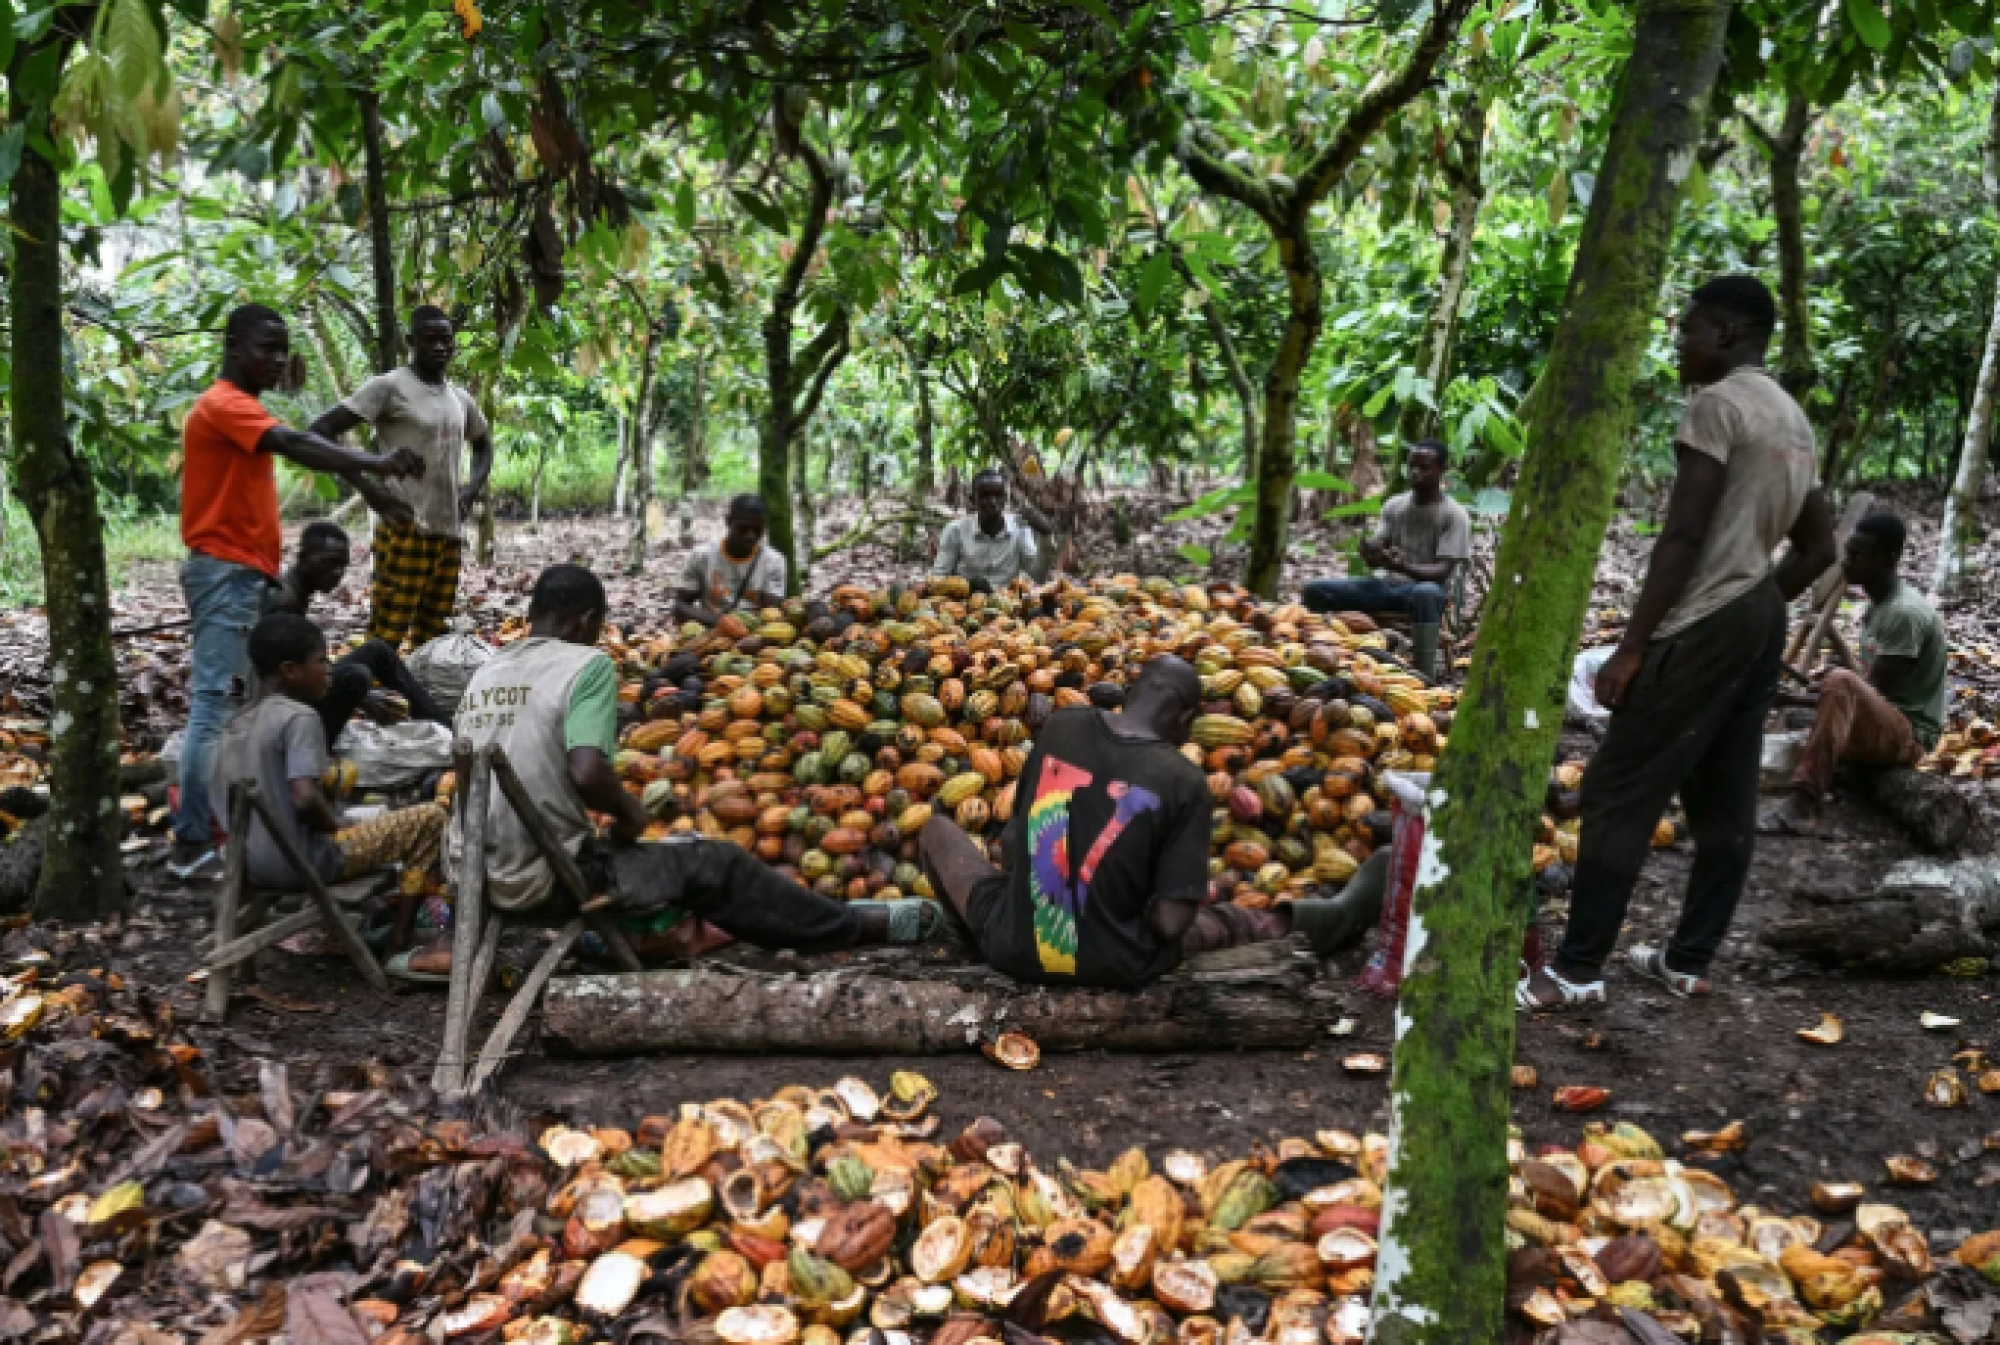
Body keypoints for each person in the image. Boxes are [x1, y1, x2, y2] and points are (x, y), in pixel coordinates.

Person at [1519, 275, 1836, 1010]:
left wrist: (1634, 646)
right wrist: (1756, 601)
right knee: (1725, 801)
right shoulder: (1792, 417)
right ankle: (1688, 960)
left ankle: (1575, 972)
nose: (1679, 344)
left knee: (1617, 790)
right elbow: (1820, 547)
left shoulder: (1718, 405)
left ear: (1726, 332)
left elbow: (1685, 535)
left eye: (1688, 330)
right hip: (1758, 618)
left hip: (1704, 621)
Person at [430, 564, 931, 978]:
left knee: (665, 859)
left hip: (473, 875)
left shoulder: (485, 672)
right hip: (549, 877)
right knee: (715, 863)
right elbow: (587, 772)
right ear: (584, 622)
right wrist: (631, 817)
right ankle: (853, 927)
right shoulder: (585, 665)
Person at [917, 656, 1366, 989]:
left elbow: (1014, 847)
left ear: (1130, 693)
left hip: (1012, 946)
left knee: (937, 830)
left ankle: (972, 937)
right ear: (1187, 721)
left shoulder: (1060, 726)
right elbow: (1171, 923)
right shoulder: (1183, 780)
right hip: (1119, 962)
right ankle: (1330, 918)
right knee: (1230, 923)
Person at [172, 303, 423, 879]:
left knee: (243, 702)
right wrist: (378, 463)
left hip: (242, 572)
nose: (278, 359)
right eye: (267, 348)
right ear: (234, 347)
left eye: (283, 349)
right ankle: (193, 842)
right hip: (225, 572)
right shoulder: (223, 405)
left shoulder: (243, 407)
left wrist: (373, 490)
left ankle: (236, 828)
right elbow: (297, 443)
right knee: (216, 706)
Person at [212, 614, 446, 897]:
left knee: (346, 795)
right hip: (305, 863)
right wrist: (335, 826)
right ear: (290, 670)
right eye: (321, 661)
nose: (328, 670)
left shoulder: (233, 724)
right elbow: (304, 798)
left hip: (249, 866)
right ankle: (403, 921)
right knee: (431, 818)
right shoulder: (299, 717)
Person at [309, 306, 494, 651]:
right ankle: (371, 682)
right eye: (429, 339)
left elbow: (484, 445)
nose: (439, 347)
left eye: (445, 340)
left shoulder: (459, 398)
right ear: (411, 341)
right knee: (388, 630)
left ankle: (418, 684)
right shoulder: (389, 387)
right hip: (405, 525)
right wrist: (368, 489)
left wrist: (470, 489)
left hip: (448, 530)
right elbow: (320, 431)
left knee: (434, 635)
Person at [1761, 512, 1947, 836]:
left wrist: (1796, 698)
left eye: (1859, 555)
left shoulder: (1903, 613)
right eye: (1848, 552)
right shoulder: (1879, 607)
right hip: (1886, 722)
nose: (1847, 562)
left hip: (1910, 736)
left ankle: (1803, 805)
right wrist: (1804, 699)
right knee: (1805, 711)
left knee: (1838, 682)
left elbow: (1875, 693)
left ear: (1888, 558)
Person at [264, 521, 449, 746]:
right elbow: (286, 680)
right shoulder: (285, 603)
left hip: (295, 700)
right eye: (329, 563)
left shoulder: (294, 591)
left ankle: (446, 728)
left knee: (377, 650)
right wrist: (362, 697)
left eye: (342, 566)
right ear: (303, 557)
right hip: (287, 721)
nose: (337, 573)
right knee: (356, 677)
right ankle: (319, 746)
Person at [1299, 440, 1468, 680]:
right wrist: (1372, 553)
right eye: (1412, 466)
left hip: (1425, 594)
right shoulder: (1395, 506)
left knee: (1427, 592)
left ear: (1440, 470)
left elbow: (1443, 570)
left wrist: (1402, 566)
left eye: (1424, 467)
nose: (1415, 472)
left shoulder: (1454, 515)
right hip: (1387, 587)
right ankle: (1318, 657)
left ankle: (1424, 675)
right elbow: (1380, 548)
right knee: (1316, 590)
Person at [673, 495, 788, 627]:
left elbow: (772, 612)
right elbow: (680, 607)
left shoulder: (774, 561)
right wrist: (723, 623)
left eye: (757, 530)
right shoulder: (702, 556)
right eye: (743, 528)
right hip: (711, 628)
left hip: (755, 633)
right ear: (728, 521)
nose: (750, 536)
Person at [931, 469, 1055, 591]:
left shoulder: (1019, 528)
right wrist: (965, 588)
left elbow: (1038, 577)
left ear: (1005, 498)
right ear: (972, 499)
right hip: (964, 599)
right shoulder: (955, 530)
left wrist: (1046, 536)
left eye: (998, 495)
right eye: (985, 496)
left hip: (1007, 600)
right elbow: (939, 576)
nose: (993, 501)